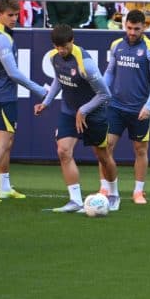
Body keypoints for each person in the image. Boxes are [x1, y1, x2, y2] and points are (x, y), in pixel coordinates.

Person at [0, 0, 48, 203]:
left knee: (8, 141)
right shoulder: (1, 39)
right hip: (3, 96)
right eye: (10, 15)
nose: (14, 19)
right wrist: (40, 90)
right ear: (0, 14)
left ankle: (4, 187)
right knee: (3, 142)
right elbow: (13, 73)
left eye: (16, 15)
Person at [34, 24, 119, 213]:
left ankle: (114, 194)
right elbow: (59, 80)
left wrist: (84, 110)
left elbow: (105, 94)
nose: (61, 50)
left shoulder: (85, 64)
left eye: (64, 46)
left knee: (103, 157)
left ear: (72, 41)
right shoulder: (53, 57)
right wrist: (46, 102)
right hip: (69, 112)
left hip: (94, 113)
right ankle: (75, 201)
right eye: (57, 47)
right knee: (63, 151)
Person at [103, 10, 150, 206]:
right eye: (129, 28)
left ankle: (138, 191)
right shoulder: (116, 45)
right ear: (125, 25)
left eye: (136, 29)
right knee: (105, 147)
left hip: (139, 109)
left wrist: (149, 106)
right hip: (115, 106)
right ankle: (105, 188)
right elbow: (110, 72)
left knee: (140, 150)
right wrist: (101, 93)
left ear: (144, 27)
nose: (132, 32)